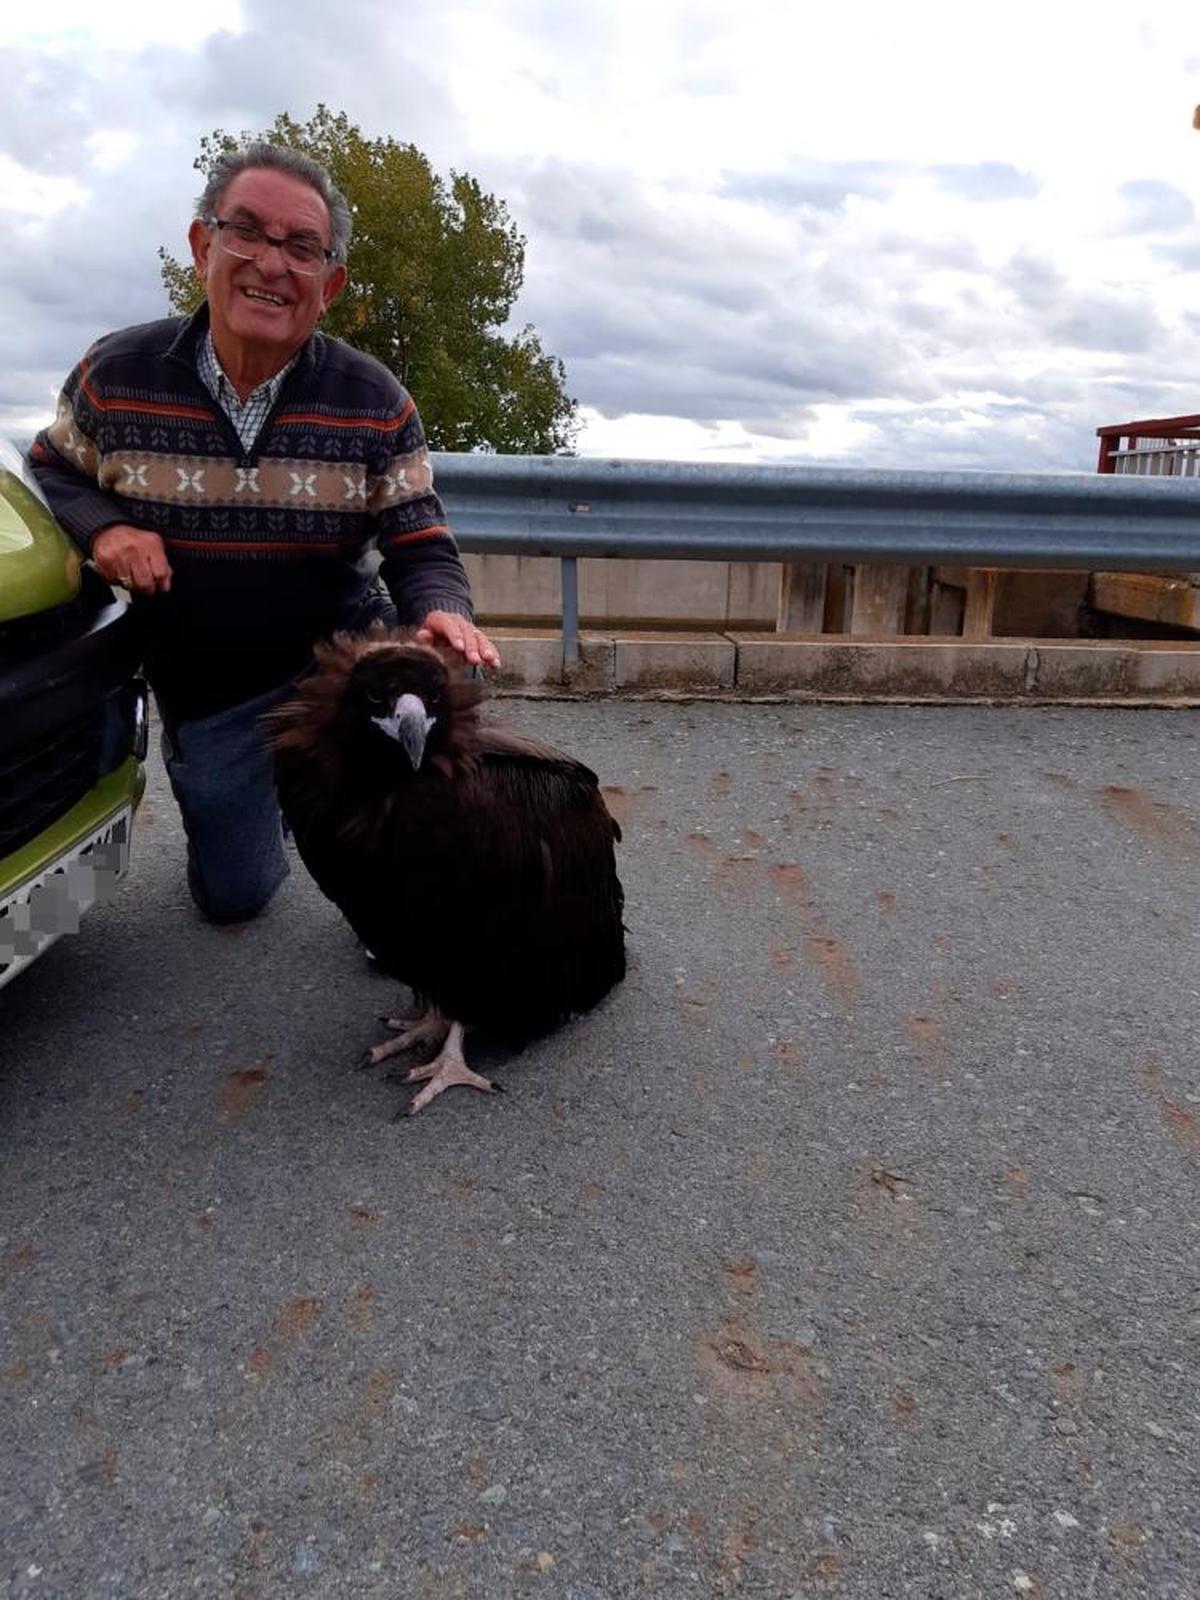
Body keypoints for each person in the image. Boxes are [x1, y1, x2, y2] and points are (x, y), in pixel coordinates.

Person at [29, 142, 500, 925]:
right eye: (246, 232)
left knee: (442, 721)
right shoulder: (115, 374)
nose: (271, 265)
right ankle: (279, 797)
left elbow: (419, 541)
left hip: (342, 665)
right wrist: (102, 526)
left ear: (330, 284)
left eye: (302, 248)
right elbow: (48, 471)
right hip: (213, 689)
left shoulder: (374, 399)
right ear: (202, 245)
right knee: (234, 897)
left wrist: (443, 607)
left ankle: (407, 886)